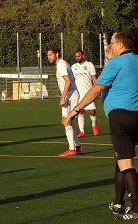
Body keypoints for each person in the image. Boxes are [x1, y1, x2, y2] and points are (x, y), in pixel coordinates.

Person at [64, 30, 138, 220]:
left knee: (126, 163)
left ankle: (137, 208)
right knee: (121, 159)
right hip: (136, 117)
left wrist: (75, 110)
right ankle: (119, 203)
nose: (109, 47)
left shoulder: (116, 62)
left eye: (111, 44)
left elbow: (96, 90)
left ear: (121, 45)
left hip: (120, 117)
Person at [47, 46, 82, 156]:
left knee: (66, 121)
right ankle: (78, 146)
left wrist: (63, 97)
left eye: (50, 55)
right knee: (67, 121)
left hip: (70, 96)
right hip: (70, 95)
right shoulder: (62, 63)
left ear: (57, 54)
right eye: (48, 55)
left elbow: (68, 82)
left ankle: (72, 149)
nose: (49, 57)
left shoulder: (61, 64)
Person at [71, 50, 99, 137]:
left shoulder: (89, 65)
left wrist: (96, 89)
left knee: (91, 112)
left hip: (88, 92)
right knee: (80, 111)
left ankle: (94, 125)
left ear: (83, 55)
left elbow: (94, 78)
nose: (77, 58)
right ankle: (82, 131)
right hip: (78, 93)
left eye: (79, 56)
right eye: (76, 57)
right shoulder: (73, 67)